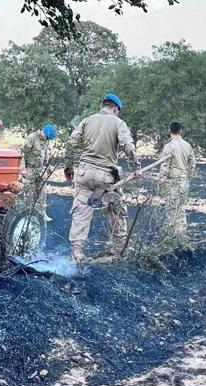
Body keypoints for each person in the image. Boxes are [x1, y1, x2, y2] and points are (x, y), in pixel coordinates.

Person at [66, 93, 140, 262]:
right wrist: (136, 168)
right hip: (105, 177)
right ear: (115, 109)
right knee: (117, 210)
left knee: (81, 211)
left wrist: (69, 168)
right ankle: (118, 249)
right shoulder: (118, 123)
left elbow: (71, 143)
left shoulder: (87, 120)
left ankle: (76, 253)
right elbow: (128, 146)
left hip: (84, 173)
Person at [158, 121, 196, 238]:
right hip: (183, 180)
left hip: (172, 181)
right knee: (180, 208)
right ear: (181, 131)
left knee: (171, 210)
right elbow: (192, 163)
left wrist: (160, 184)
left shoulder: (169, 146)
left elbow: (164, 167)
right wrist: (187, 177)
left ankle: (173, 236)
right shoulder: (187, 145)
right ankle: (181, 235)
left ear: (169, 131)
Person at [21, 123, 56, 221]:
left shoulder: (46, 140)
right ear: (43, 132)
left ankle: (42, 214)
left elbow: (45, 153)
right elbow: (23, 153)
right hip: (30, 170)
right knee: (29, 193)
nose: (47, 139)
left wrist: (47, 165)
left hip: (41, 170)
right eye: (47, 137)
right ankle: (27, 215)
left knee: (42, 193)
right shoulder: (32, 137)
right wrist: (23, 168)